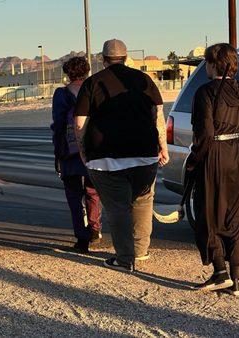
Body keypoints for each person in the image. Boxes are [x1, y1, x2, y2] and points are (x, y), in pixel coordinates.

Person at [75, 39, 169, 272]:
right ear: (126, 57)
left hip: (105, 157)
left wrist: (83, 152)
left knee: (117, 206)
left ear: (103, 59)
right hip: (144, 153)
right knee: (143, 200)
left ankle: (125, 258)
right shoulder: (144, 80)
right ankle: (140, 251)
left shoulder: (92, 83)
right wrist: (162, 146)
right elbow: (157, 115)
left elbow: (80, 123)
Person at [188, 43, 239, 296]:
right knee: (238, 216)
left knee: (208, 212)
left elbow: (204, 134)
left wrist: (194, 160)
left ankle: (220, 271)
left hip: (215, 155)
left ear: (212, 64)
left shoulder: (205, 93)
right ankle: (237, 278)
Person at [51, 56, 102, 254]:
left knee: (73, 195)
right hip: (93, 149)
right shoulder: (94, 90)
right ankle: (95, 228)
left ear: (68, 73)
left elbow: (57, 125)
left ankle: (81, 238)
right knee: (93, 191)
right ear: (87, 71)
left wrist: (58, 153)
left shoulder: (61, 94)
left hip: (70, 150)